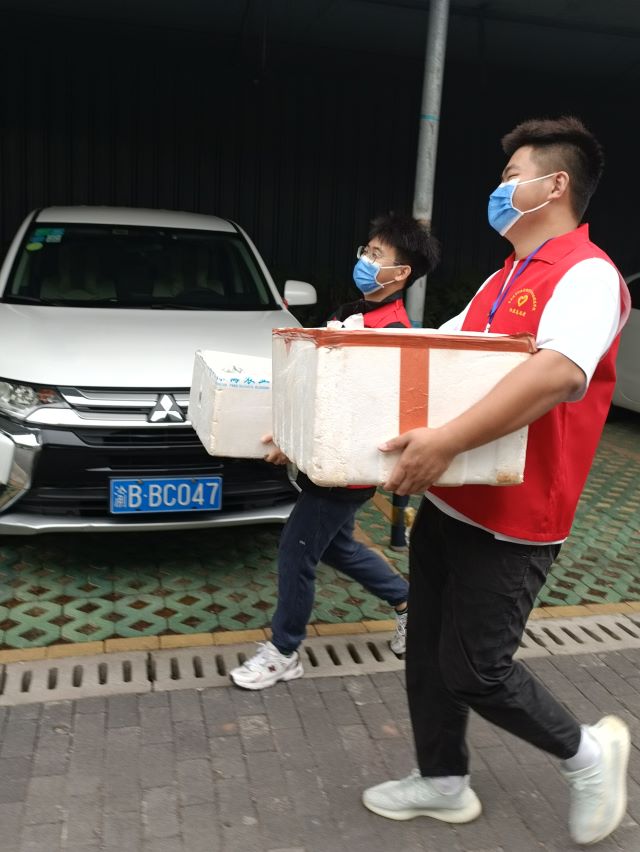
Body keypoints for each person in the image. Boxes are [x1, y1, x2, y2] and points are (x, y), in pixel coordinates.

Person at [362, 117, 631, 846]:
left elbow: (558, 374)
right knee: (427, 656)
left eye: (511, 176)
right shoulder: (502, 277)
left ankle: (588, 753)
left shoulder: (587, 275)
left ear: (556, 184)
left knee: (476, 669)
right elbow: (433, 352)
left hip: (517, 515)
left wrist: (445, 441)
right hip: (454, 499)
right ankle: (442, 781)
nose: (499, 189)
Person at [229, 213, 440, 690]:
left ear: (401, 273)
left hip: (346, 467)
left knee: (295, 551)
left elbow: (358, 410)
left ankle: (284, 651)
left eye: (377, 255)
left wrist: (296, 442)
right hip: (327, 459)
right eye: (366, 250)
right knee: (339, 547)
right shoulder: (351, 313)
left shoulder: (392, 333)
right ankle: (409, 603)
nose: (365, 260)